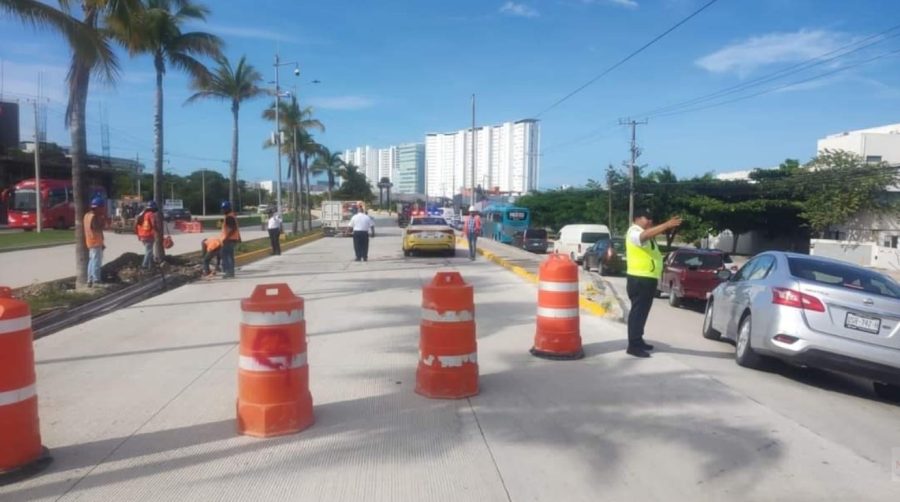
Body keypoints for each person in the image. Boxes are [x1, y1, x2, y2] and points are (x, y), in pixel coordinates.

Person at [625, 208, 682, 358]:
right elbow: (642, 236)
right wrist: (666, 225)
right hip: (639, 279)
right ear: (637, 219)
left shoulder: (648, 235)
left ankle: (638, 339)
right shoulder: (634, 232)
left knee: (643, 312)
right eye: (647, 218)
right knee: (637, 313)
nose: (650, 221)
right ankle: (633, 345)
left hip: (647, 278)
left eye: (651, 218)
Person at [84, 195, 106, 287]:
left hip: (91, 241)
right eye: (102, 208)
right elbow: (96, 228)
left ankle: (90, 279)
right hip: (95, 242)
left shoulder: (87, 215)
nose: (103, 210)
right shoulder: (94, 217)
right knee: (96, 261)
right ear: (98, 207)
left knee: (92, 261)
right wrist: (103, 222)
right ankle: (96, 280)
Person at [220, 200, 241, 278]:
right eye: (222, 208)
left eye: (224, 208)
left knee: (226, 256)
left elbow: (233, 228)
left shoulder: (229, 217)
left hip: (229, 240)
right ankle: (231, 272)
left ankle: (229, 272)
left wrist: (226, 238)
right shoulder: (231, 216)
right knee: (229, 256)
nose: (223, 210)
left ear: (228, 208)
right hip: (231, 239)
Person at [135, 201, 159, 269]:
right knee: (149, 251)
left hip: (142, 235)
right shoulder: (151, 214)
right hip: (148, 235)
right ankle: (144, 265)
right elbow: (153, 224)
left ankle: (151, 266)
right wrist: (157, 231)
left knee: (149, 250)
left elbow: (137, 225)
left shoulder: (142, 214)